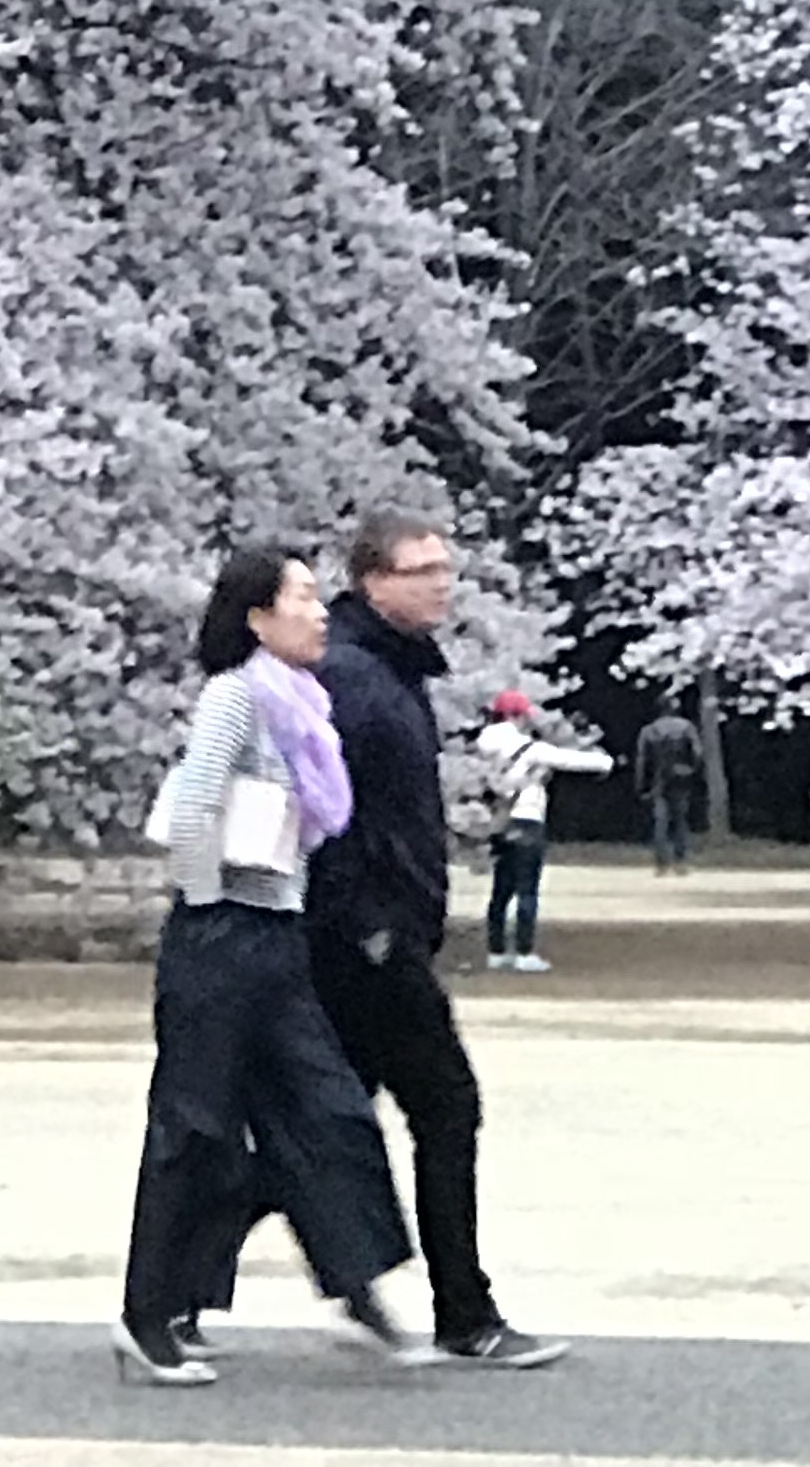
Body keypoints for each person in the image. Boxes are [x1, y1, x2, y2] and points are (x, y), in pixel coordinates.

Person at [117, 543, 426, 1387]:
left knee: (329, 1111)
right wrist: (205, 901)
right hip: (221, 935)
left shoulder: (302, 704)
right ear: (258, 616)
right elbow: (194, 807)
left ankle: (356, 1283)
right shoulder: (235, 696)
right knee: (195, 1125)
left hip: (278, 937)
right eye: (301, 597)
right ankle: (149, 1315)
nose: (320, 612)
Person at [299, 506, 567, 1368]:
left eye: (447, 569)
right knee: (445, 1107)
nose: (443, 585)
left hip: (379, 931)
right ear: (373, 580)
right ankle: (464, 1310)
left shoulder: (387, 672)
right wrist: (374, 924)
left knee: (322, 1119)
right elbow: (332, 817)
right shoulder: (355, 679)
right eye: (424, 571)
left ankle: (175, 1289)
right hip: (367, 940)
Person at [468, 688, 610, 971]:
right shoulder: (530, 749)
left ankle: (496, 952)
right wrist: (604, 761)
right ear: (518, 716)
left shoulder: (480, 748)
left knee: (500, 891)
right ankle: (523, 952)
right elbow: (569, 760)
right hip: (527, 819)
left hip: (498, 821)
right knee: (527, 890)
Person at [633, 698, 705, 876]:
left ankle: (661, 864)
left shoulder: (649, 730)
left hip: (658, 780)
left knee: (660, 822)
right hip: (681, 778)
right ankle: (680, 862)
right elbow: (698, 752)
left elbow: (642, 760)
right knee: (680, 821)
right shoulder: (686, 727)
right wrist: (693, 770)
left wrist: (640, 784)